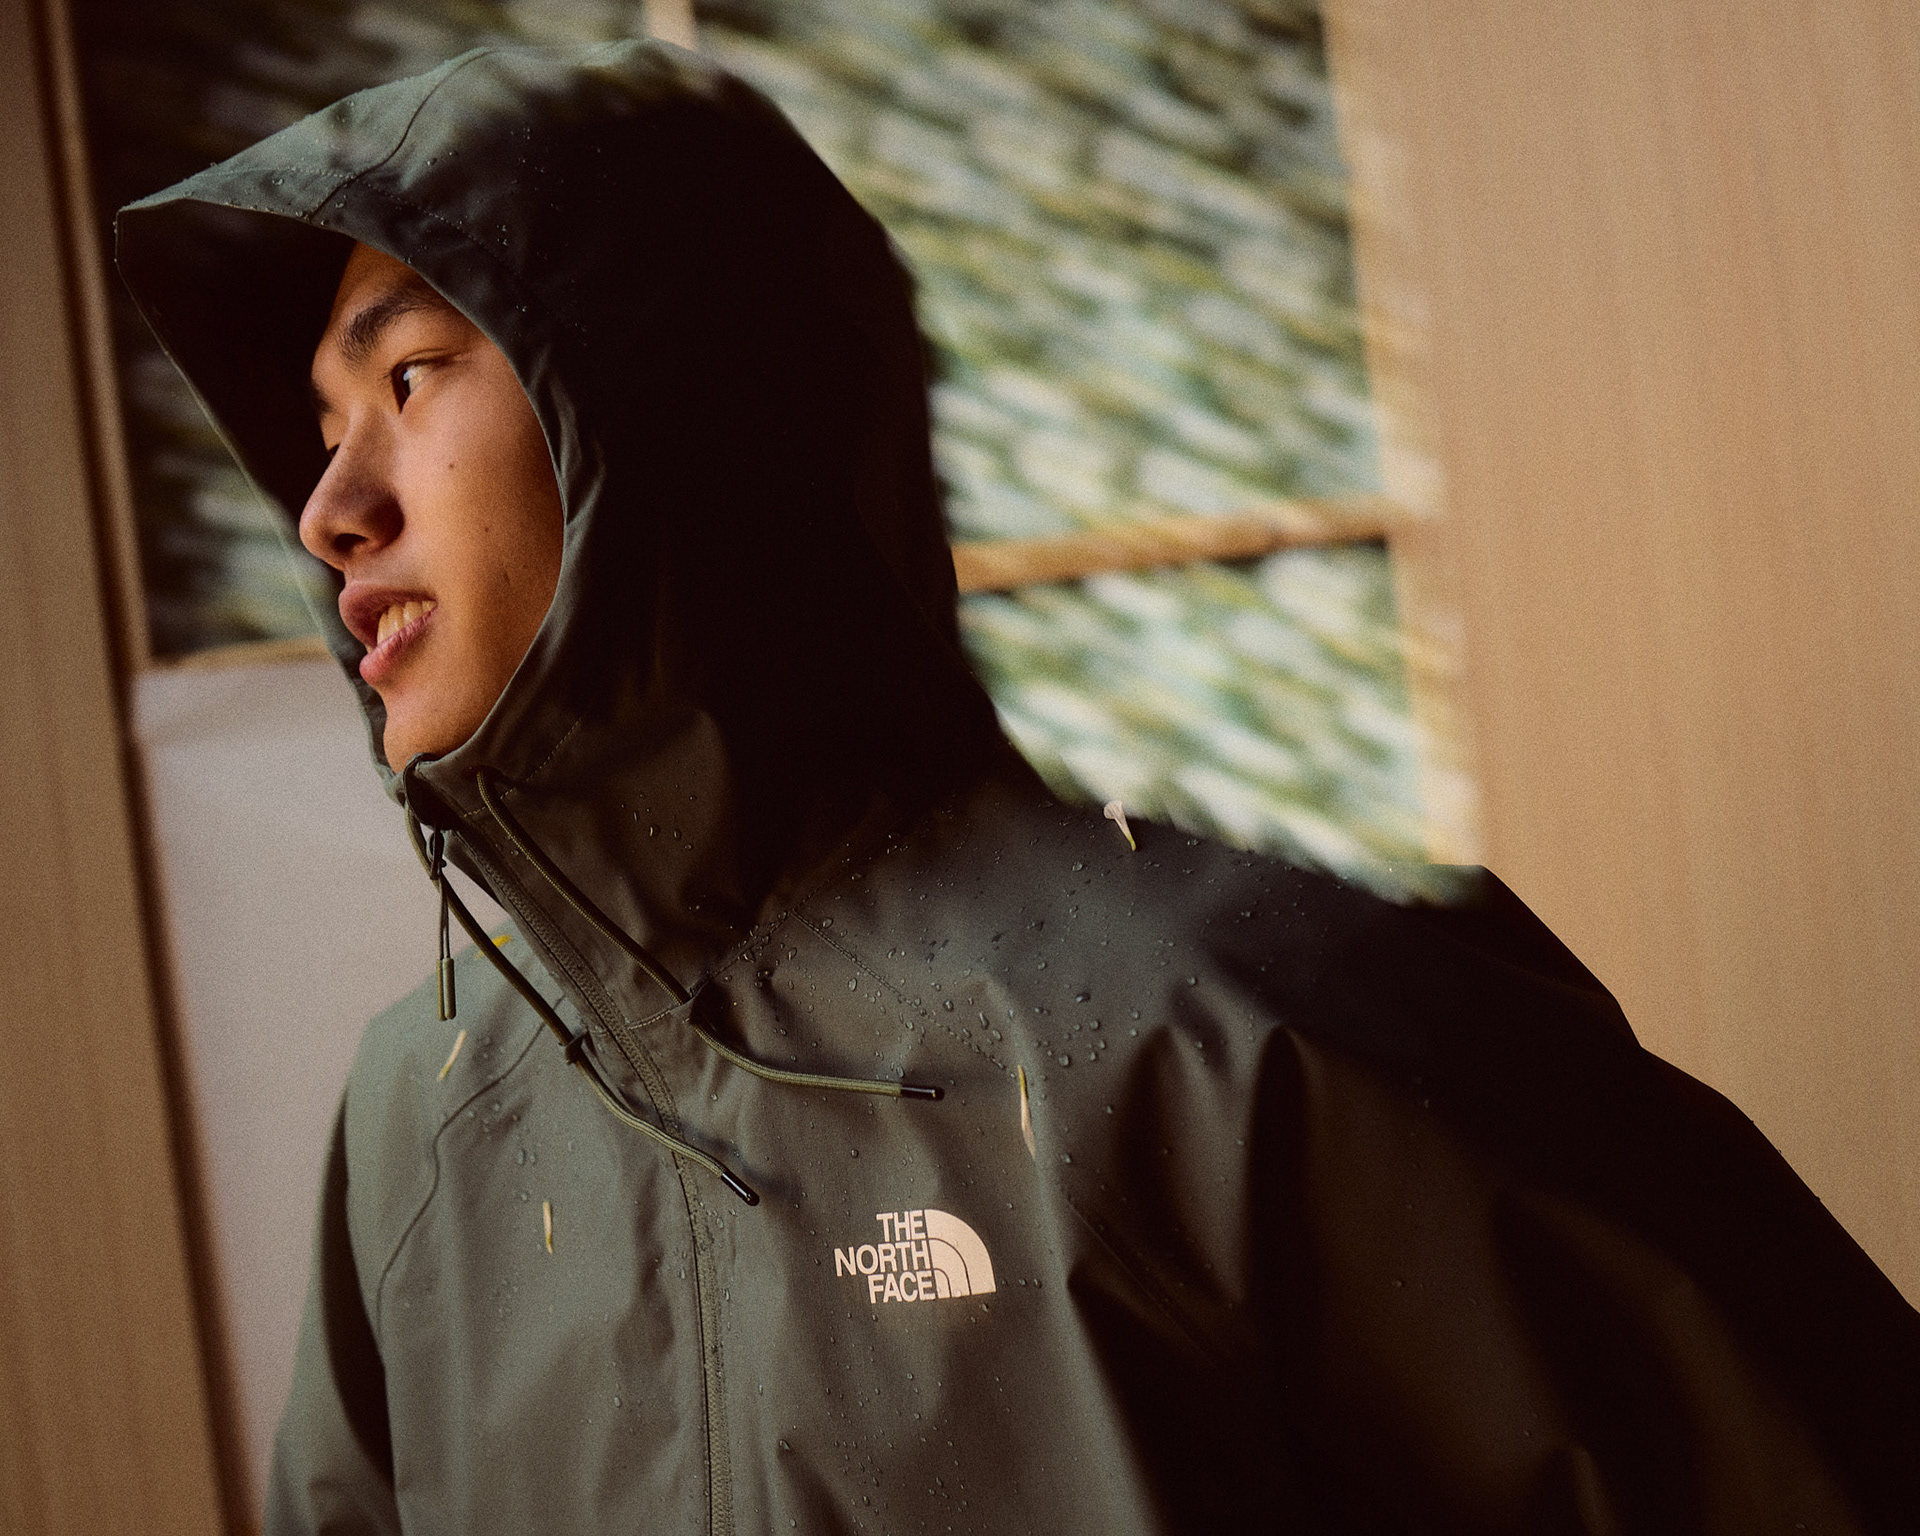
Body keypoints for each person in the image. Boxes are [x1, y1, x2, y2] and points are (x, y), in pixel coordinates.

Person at [117, 40, 1920, 1536]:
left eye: (411, 376)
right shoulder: (422, 1122)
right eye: (322, 431)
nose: (328, 511)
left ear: (675, 423)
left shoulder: (1225, 1023)